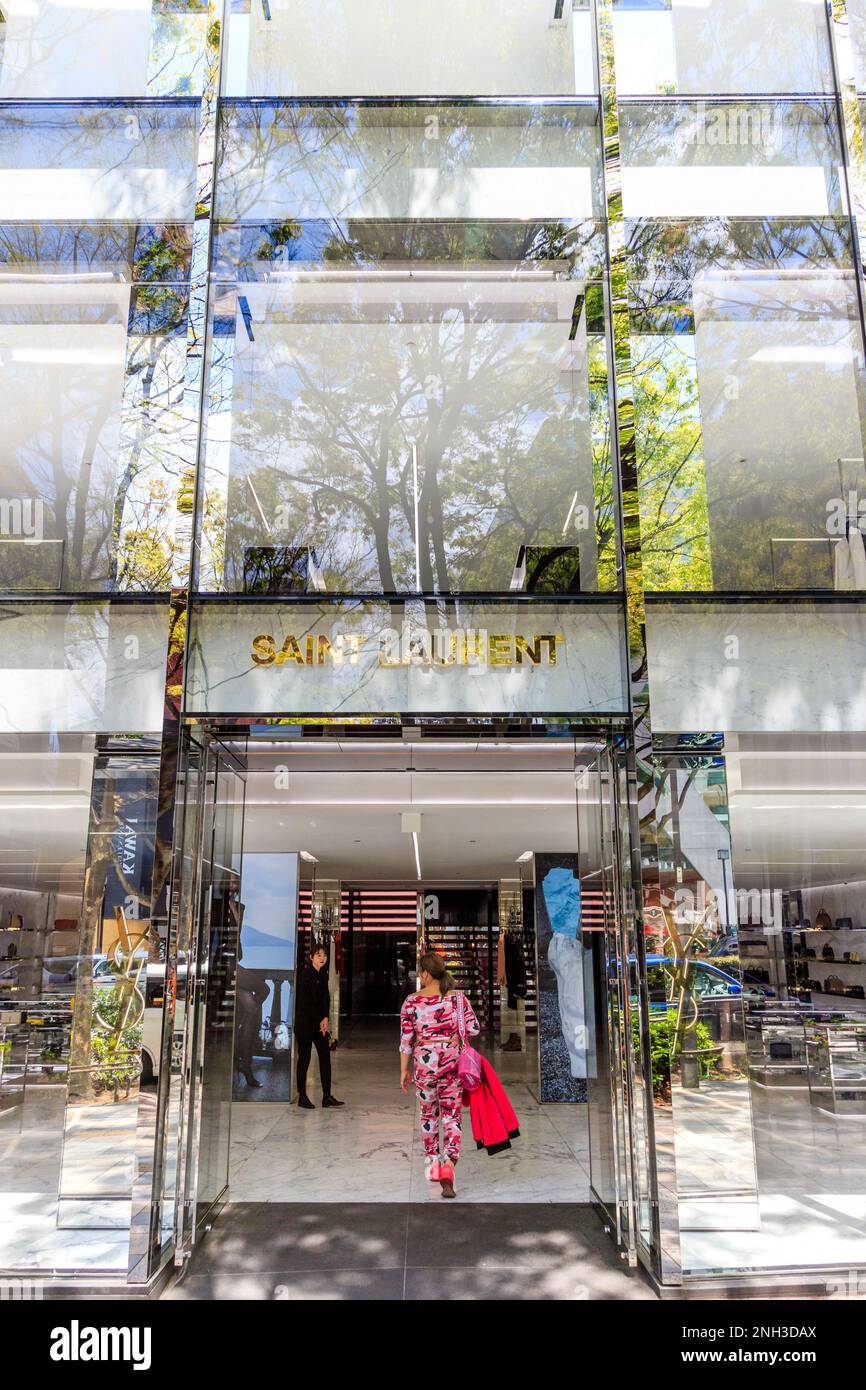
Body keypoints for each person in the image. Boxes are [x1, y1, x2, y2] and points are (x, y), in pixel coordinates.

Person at [399, 951, 479, 1199]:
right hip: (452, 1062)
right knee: (451, 1115)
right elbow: (474, 1027)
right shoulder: (457, 999)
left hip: (424, 1066)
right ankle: (449, 1164)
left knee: (428, 1114)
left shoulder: (411, 1001)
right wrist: (457, 1036)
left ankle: (433, 1163)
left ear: (424, 973)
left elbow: (406, 1041)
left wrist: (404, 1069)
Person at [295, 943, 344, 1109]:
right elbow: (305, 1003)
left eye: (324, 955)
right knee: (305, 1060)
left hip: (320, 1025)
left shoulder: (323, 974)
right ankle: (302, 1096)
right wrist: (319, 1020)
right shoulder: (304, 974)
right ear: (311, 957)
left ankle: (327, 1096)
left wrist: (325, 1018)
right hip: (305, 1025)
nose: (322, 958)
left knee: (325, 1059)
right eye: (318, 955)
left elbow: (325, 999)